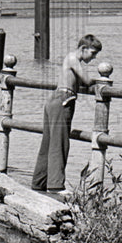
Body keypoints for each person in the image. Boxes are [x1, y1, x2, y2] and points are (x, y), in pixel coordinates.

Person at [31, 34, 103, 198]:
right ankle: (56, 185)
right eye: (92, 53)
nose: (93, 58)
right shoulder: (72, 59)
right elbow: (85, 80)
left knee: (48, 143)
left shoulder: (70, 59)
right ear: (83, 49)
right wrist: (99, 82)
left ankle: (39, 182)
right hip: (64, 101)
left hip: (54, 100)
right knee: (60, 143)